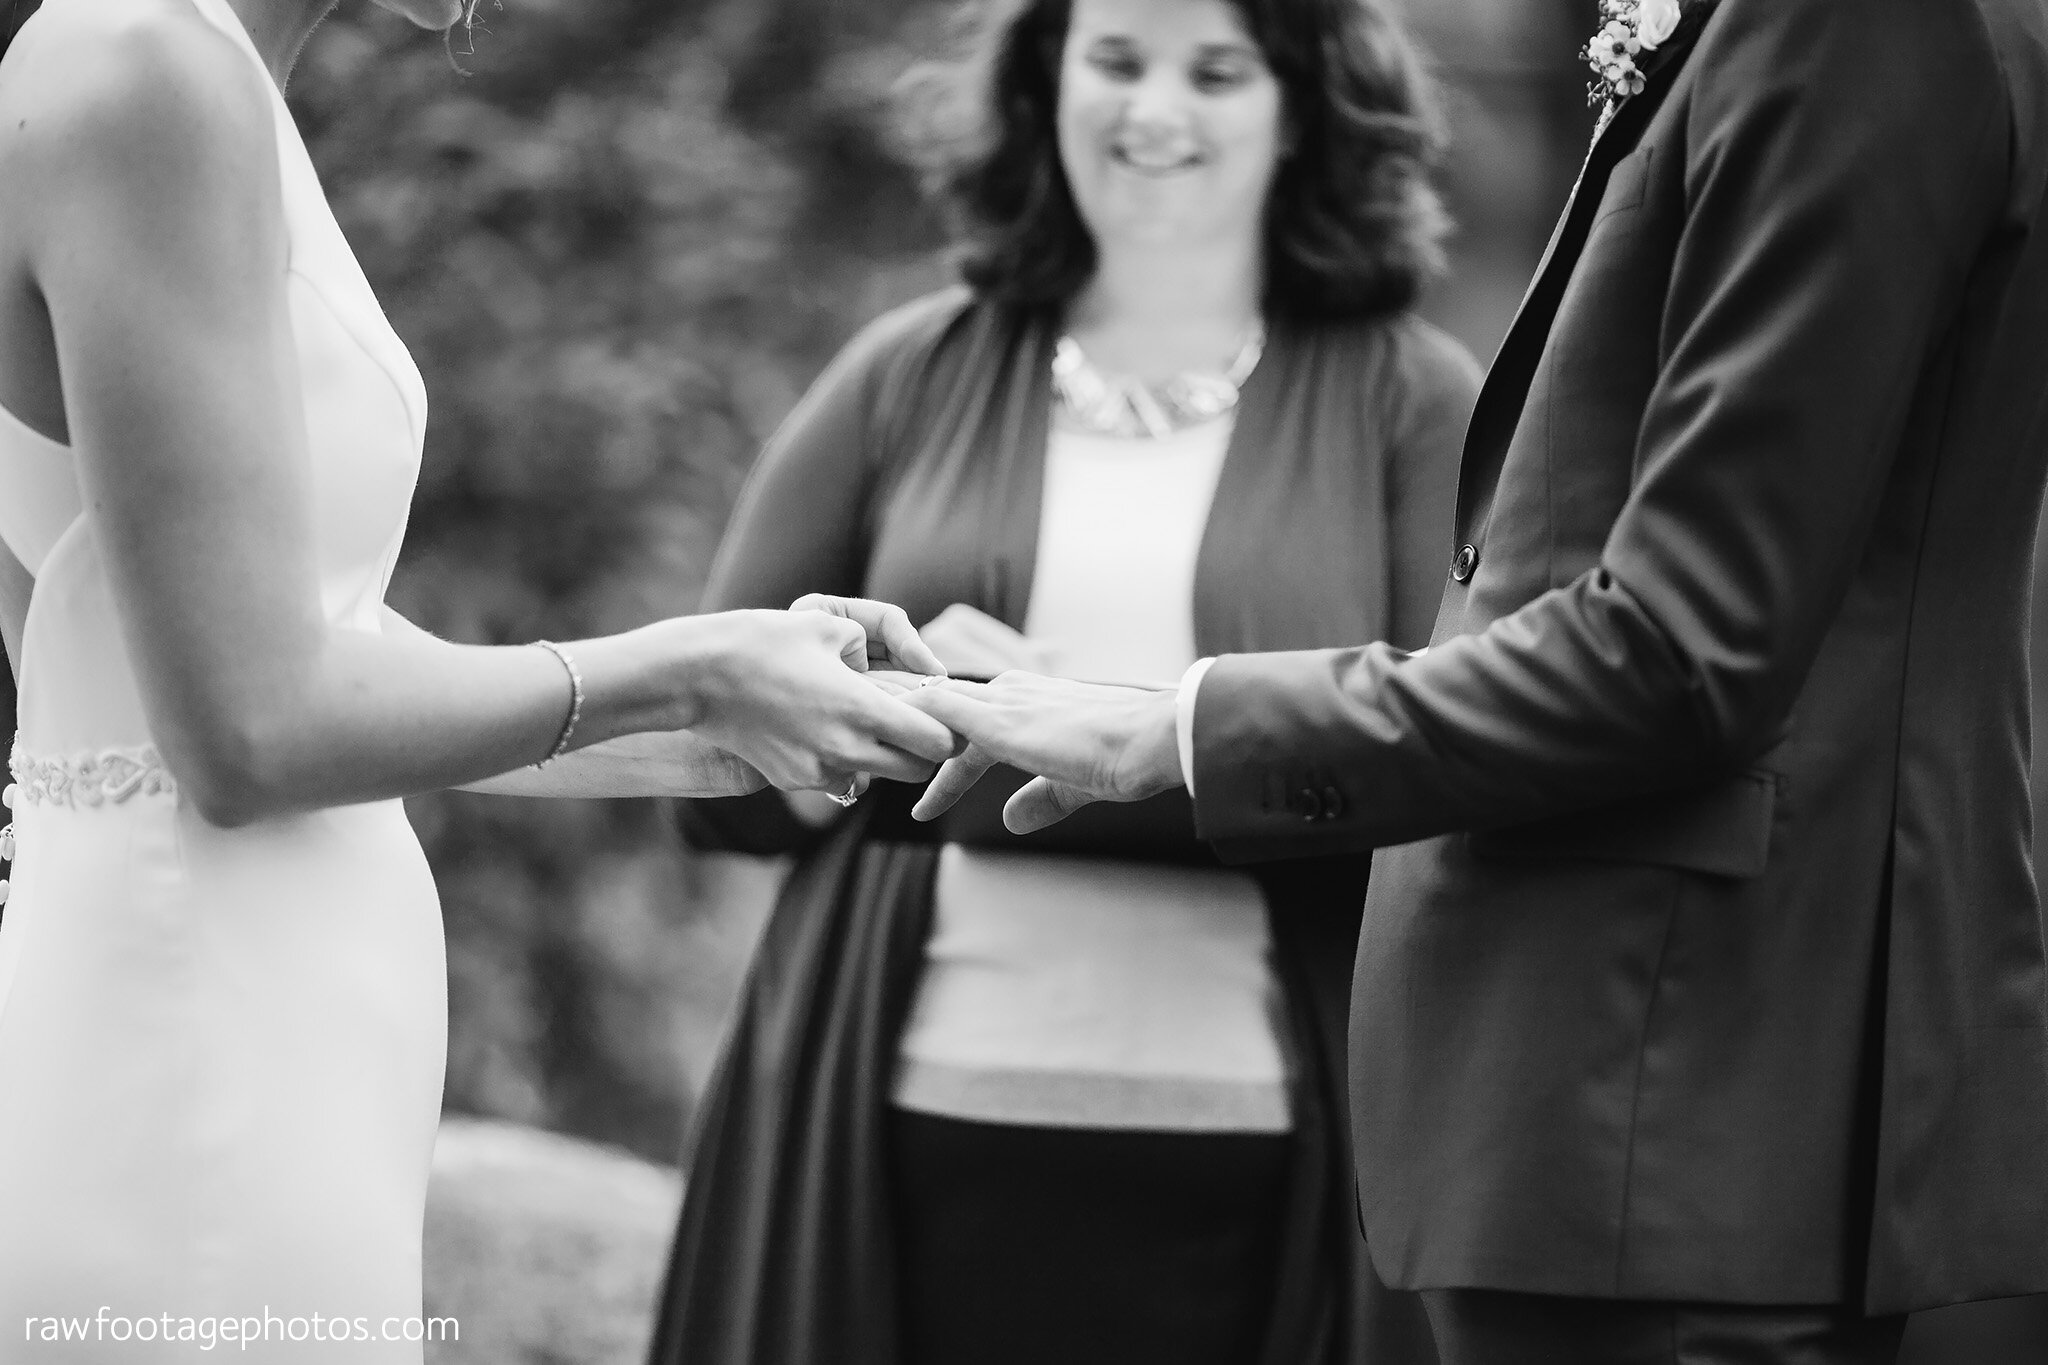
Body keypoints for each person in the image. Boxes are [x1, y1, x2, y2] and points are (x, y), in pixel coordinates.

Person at [904, 0, 2048, 1362]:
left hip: (1671, 1100)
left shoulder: (1854, 26)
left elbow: (1685, 649)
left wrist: (1192, 725)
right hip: (1609, 1126)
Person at [0, 0, 956, 1358]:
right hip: (202, 1054)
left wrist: (725, 713)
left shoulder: (176, 74)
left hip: (231, 1015)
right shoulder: (149, 76)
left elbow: (166, 661)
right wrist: (682, 667)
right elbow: (247, 728)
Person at [646, 0, 1476, 1362]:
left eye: (1215, 72)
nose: (1156, 111)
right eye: (1115, 59)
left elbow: (1447, 782)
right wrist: (899, 704)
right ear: (1045, 82)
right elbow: (712, 770)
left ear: (1307, 109)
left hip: (1264, 1142)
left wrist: (1070, 738)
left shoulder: (1413, 401)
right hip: (907, 1118)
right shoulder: (903, 374)